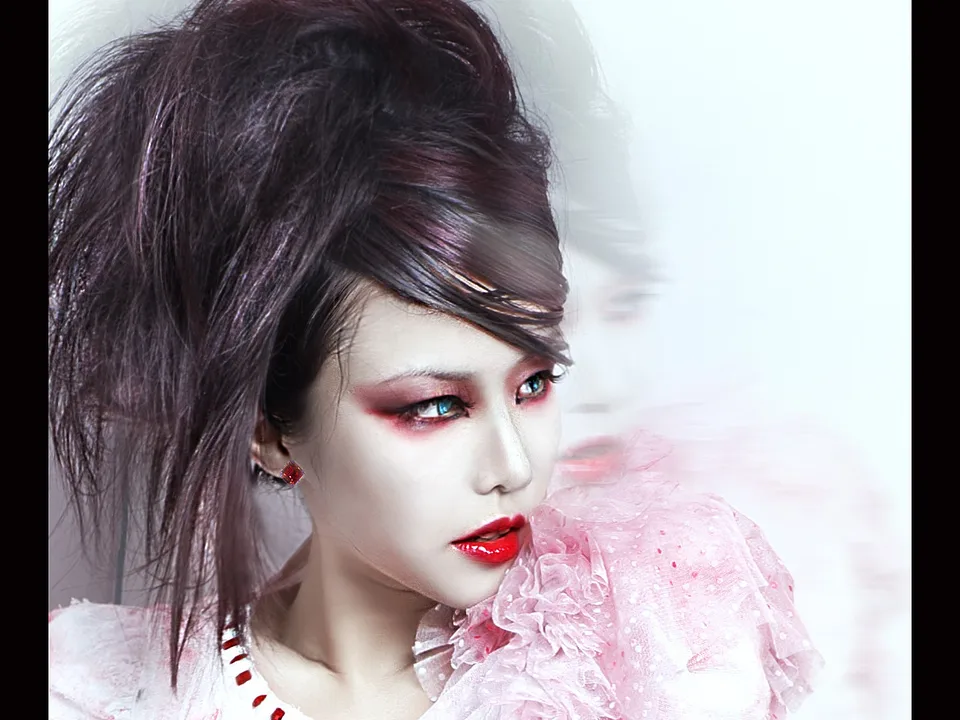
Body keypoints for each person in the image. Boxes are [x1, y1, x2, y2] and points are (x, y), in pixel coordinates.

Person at [48, 1, 821, 718]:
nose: (513, 466)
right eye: (435, 406)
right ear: (270, 430)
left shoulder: (656, 640)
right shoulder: (103, 695)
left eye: (534, 383)